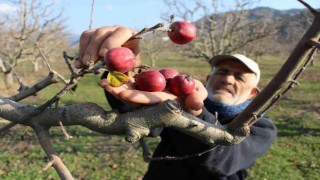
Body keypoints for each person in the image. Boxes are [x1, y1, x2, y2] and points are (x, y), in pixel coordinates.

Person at [77, 26, 277, 180]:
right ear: (208, 78)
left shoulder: (260, 126)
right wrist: (126, 68)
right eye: (223, 72)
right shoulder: (176, 99)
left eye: (239, 77)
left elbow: (222, 161)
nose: (227, 79)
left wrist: (192, 113)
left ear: (253, 93)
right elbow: (140, 112)